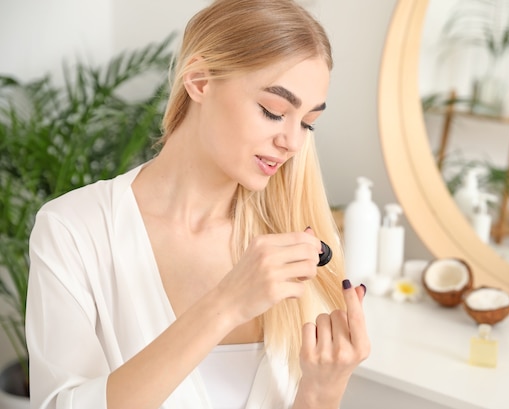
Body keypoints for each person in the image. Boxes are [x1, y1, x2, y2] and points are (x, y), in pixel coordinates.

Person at [25, 0, 370, 408]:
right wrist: (224, 305)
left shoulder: (297, 241)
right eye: (273, 111)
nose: (293, 142)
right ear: (199, 81)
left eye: (307, 122)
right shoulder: (75, 229)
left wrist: (321, 391)